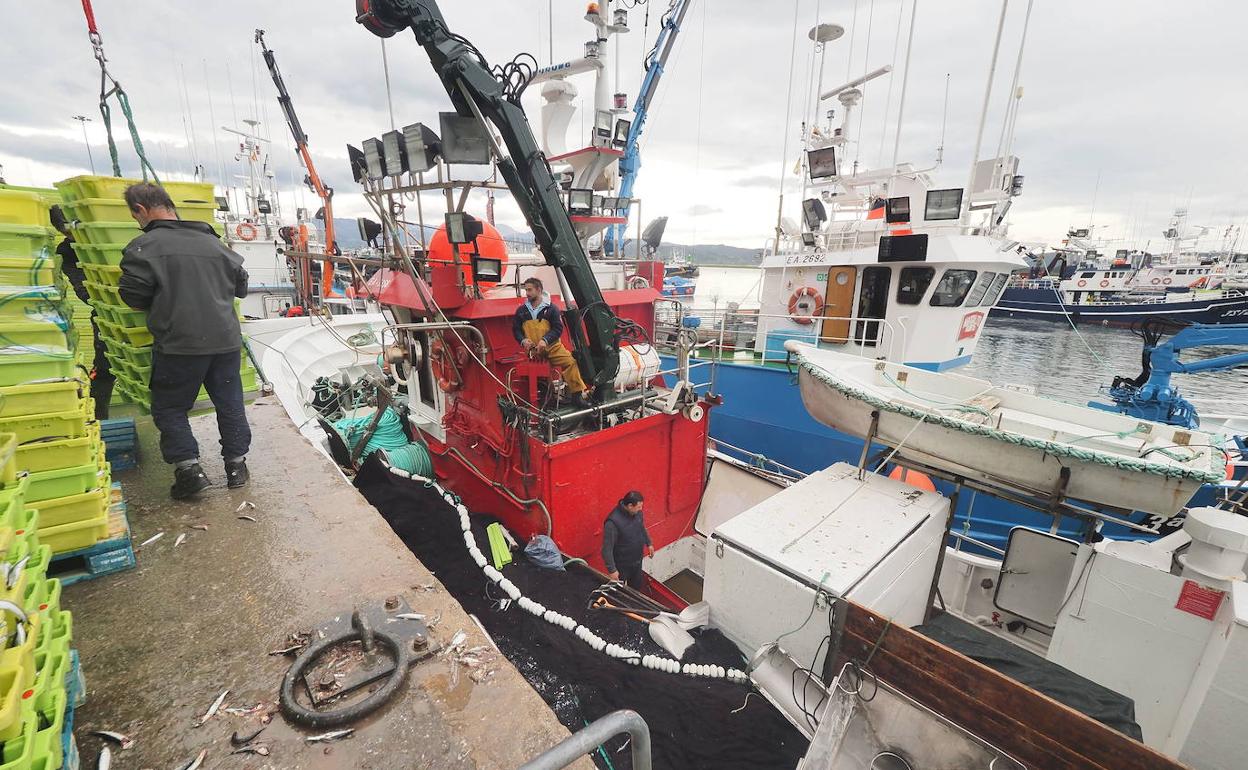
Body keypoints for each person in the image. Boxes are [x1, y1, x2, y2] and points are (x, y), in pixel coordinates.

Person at [118, 183, 252, 499]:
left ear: (140, 210)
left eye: (135, 215)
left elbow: (134, 298)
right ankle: (236, 467)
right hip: (225, 342)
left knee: (170, 407)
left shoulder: (143, 248)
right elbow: (241, 288)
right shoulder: (217, 245)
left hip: (179, 345)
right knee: (229, 402)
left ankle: (190, 471)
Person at [49, 205, 115, 418]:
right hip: (106, 317)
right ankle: (99, 417)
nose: (71, 233)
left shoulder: (106, 238)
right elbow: (84, 291)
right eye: (65, 230)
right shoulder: (67, 251)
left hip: (142, 312)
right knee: (104, 370)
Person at [511, 277, 587, 403]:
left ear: (539, 290)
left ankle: (577, 395)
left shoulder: (552, 309)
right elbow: (516, 330)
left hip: (553, 348)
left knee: (570, 362)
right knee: (539, 374)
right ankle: (547, 399)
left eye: (530, 290)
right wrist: (523, 340)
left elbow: (558, 328)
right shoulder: (521, 311)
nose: (527, 293)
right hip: (534, 351)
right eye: (526, 290)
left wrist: (545, 340)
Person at [601, 491, 654, 589]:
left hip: (637, 561)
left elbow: (641, 528)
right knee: (618, 592)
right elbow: (606, 549)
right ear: (630, 506)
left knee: (637, 588)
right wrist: (612, 570)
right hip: (622, 565)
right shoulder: (612, 523)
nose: (641, 509)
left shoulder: (638, 514)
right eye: (638, 507)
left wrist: (649, 543)